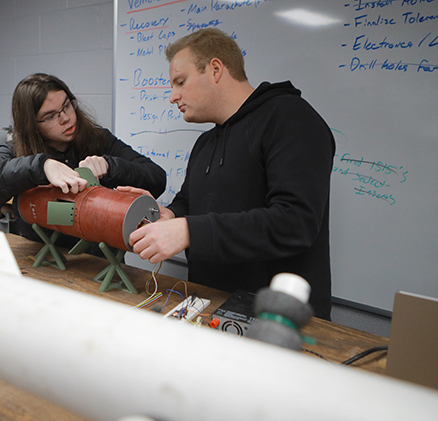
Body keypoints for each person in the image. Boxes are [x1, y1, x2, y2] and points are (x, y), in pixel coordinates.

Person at [123, 28, 335, 319]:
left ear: (215, 69)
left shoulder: (290, 119)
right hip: (210, 306)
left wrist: (189, 231)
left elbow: (295, 223)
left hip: (276, 321)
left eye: (180, 82)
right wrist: (169, 215)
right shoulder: (205, 142)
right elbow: (190, 202)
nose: (173, 97)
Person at [0, 73, 166, 248]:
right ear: (31, 125)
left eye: (67, 106)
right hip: (42, 261)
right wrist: (39, 166)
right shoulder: (17, 150)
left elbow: (156, 179)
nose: (66, 118)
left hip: (98, 261)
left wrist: (111, 166)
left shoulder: (99, 140)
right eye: (50, 116)